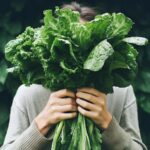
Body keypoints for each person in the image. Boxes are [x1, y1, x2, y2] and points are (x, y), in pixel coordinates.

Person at [0, 2, 147, 150]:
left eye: (86, 45)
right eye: (66, 45)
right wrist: (42, 123)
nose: (76, 54)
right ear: (50, 48)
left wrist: (108, 123)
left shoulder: (121, 92)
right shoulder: (28, 94)